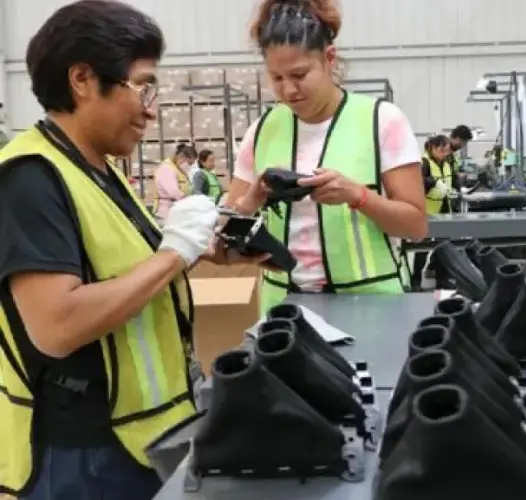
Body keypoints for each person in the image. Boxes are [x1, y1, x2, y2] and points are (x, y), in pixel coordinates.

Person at [0, 2, 259, 498]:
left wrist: (204, 250)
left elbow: (115, 264)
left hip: (139, 436)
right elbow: (57, 326)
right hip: (81, 454)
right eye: (143, 86)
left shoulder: (97, 169)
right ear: (82, 79)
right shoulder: (29, 177)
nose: (151, 108)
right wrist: (174, 254)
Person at [224, 0, 427, 313]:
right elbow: (228, 226)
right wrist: (251, 202)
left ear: (329, 59)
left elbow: (415, 226)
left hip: (373, 306)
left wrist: (358, 196)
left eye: (299, 74)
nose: (289, 90)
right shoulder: (261, 131)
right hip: (283, 308)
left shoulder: (382, 121)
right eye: (277, 78)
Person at [412, 135, 456, 289]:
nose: (444, 154)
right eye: (441, 150)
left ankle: (442, 278)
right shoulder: (424, 163)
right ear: (432, 147)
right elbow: (418, 181)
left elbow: (452, 178)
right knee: (422, 248)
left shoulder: (447, 162)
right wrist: (434, 182)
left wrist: (459, 187)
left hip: (445, 209)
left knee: (445, 247)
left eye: (447, 151)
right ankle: (416, 280)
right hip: (428, 212)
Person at [152, 143, 196, 223]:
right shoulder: (166, 169)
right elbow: (174, 192)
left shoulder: (179, 170)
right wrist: (192, 201)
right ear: (181, 157)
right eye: (190, 163)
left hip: (176, 213)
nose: (190, 166)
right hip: (166, 214)